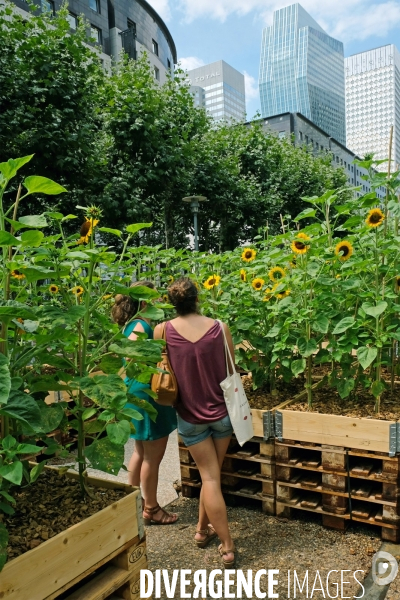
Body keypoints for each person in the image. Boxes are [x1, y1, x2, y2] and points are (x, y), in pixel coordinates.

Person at [154, 277, 236, 567]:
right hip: (223, 415)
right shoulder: (219, 328)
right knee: (212, 478)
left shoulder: (161, 330)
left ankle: (208, 535)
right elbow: (231, 369)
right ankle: (221, 542)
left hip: (189, 417)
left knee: (208, 478)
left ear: (172, 302)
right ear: (197, 297)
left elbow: (159, 369)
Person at [112, 282, 178, 525]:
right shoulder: (140, 324)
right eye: (154, 299)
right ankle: (150, 508)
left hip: (135, 389)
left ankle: (132, 505)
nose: (159, 303)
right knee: (153, 456)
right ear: (143, 302)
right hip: (146, 391)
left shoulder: (132, 323)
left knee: (141, 452)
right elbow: (132, 355)